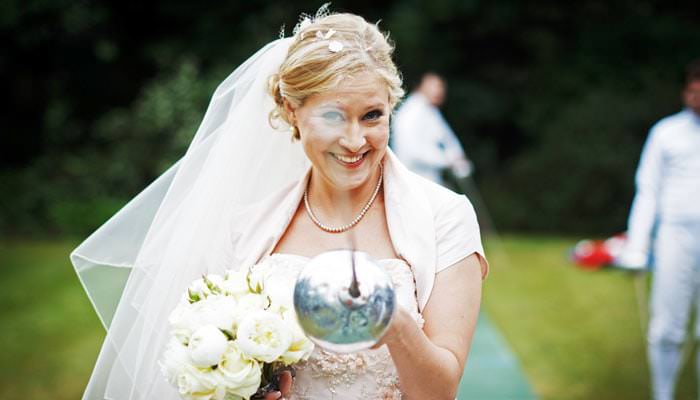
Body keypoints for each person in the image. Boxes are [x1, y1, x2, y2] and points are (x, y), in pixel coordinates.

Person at [71, 10, 488, 400]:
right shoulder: (245, 228)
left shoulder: (444, 216)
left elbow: (440, 392)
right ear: (292, 112)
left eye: (373, 115)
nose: (356, 140)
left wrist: (395, 324)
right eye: (333, 116)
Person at [618, 59, 700, 400]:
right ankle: (662, 393)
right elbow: (648, 189)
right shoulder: (665, 133)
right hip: (675, 236)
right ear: (686, 92)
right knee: (667, 326)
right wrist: (637, 245)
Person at [391, 73, 473, 186]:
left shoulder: (429, 110)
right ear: (421, 87)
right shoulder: (411, 113)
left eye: (441, 87)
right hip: (415, 180)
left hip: (428, 179)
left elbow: (446, 138)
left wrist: (457, 156)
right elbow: (413, 150)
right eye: (434, 86)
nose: (439, 91)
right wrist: (449, 161)